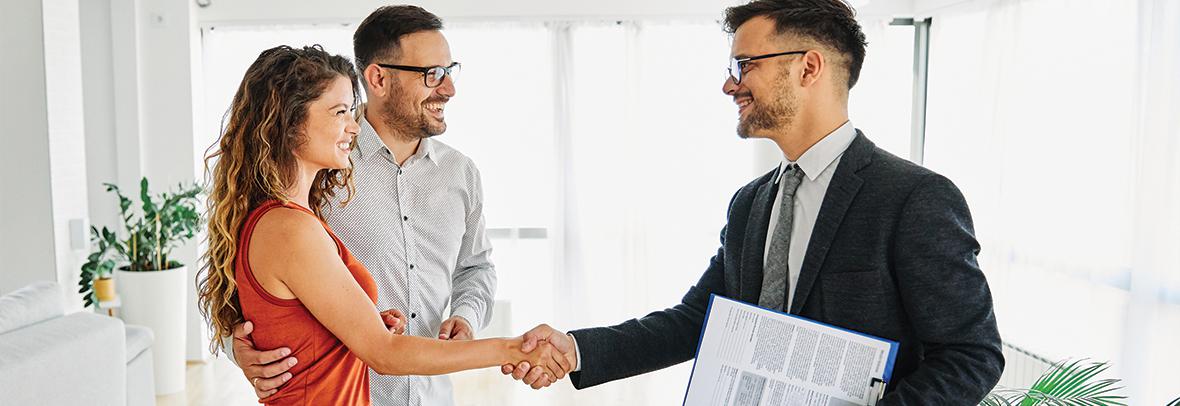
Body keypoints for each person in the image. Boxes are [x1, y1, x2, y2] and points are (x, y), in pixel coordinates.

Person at [502, 0, 1004, 403]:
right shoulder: (751, 203)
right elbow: (700, 319)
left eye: (745, 64)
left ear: (808, 67)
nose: (729, 83)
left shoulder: (914, 197)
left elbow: (970, 355)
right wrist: (574, 349)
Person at [196, 44, 567, 406]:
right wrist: (514, 348)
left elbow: (304, 319)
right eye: (339, 111)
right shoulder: (289, 227)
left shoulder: (295, 217)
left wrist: (366, 319)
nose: (351, 127)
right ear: (290, 125)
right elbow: (385, 354)